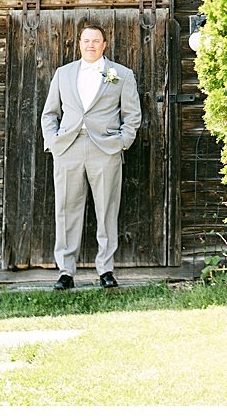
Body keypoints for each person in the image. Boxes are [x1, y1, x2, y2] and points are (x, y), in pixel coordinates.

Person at [40, 20, 141, 290]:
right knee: (66, 210)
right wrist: (52, 142)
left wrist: (122, 143)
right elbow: (50, 113)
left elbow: (132, 115)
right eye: (86, 40)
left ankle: (105, 270)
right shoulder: (63, 73)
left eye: (96, 41)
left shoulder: (121, 74)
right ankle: (65, 271)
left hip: (105, 149)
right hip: (68, 148)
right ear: (79, 44)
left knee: (107, 210)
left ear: (104, 45)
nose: (91, 45)